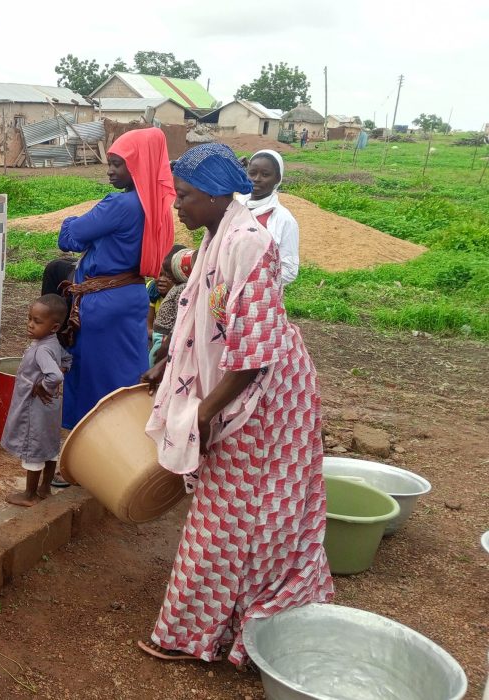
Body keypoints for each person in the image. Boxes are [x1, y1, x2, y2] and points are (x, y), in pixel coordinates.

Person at [139, 144, 333, 667]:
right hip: (239, 383)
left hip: (264, 399)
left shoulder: (248, 242)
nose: (177, 205)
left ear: (216, 194)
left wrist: (204, 411)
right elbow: (205, 313)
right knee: (245, 511)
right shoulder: (217, 234)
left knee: (230, 516)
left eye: (185, 196)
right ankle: (226, 621)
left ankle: (193, 632)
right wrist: (169, 361)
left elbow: (257, 352)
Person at [57, 127, 175, 429]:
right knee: (125, 372)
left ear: (138, 165)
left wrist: (72, 221)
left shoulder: (119, 204)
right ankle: (129, 436)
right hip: (132, 294)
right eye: (109, 163)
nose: (109, 170)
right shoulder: (157, 206)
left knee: (93, 379)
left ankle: (90, 444)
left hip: (102, 302)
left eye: (117, 164)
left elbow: (69, 237)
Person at [1, 294, 71, 507]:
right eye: (30, 318)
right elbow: (67, 359)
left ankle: (29, 495)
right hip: (51, 409)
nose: (30, 324)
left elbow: (55, 376)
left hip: (35, 409)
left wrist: (43, 385)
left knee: (32, 450)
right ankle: (45, 489)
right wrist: (62, 369)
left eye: (37, 321)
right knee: (49, 447)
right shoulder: (53, 343)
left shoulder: (41, 350)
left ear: (54, 327)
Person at [243, 150, 299, 286]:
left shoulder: (283, 219)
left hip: (258, 295)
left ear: (277, 179)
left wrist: (253, 283)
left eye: (265, 174)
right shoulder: (234, 207)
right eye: (252, 173)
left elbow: (290, 270)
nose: (257, 179)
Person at [148, 245, 191, 366]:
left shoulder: (182, 289)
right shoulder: (153, 290)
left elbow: (180, 319)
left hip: (165, 337)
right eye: (161, 273)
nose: (164, 278)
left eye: (168, 274)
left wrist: (166, 342)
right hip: (159, 336)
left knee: (154, 364)